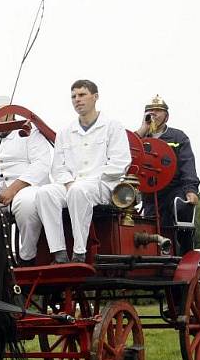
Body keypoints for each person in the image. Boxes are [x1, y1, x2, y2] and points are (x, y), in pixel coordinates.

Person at [36, 80, 131, 263]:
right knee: (44, 193)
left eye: (82, 95)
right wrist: (69, 182)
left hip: (102, 186)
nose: (77, 100)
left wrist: (88, 181)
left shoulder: (112, 126)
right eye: (73, 96)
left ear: (95, 97)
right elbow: (58, 167)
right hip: (71, 184)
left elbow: (121, 162)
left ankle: (79, 252)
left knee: (79, 191)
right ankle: (59, 252)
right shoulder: (65, 131)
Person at [0, 96, 52, 265]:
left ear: (11, 115)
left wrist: (14, 188)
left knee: (26, 204)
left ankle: (27, 256)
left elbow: (41, 165)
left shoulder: (30, 133)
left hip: (27, 188)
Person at [135, 95, 200, 251]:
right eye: (150, 111)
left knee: (182, 207)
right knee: (151, 223)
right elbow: (126, 151)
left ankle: (185, 251)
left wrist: (191, 190)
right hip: (150, 193)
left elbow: (187, 164)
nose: (154, 114)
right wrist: (143, 130)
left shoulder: (178, 137)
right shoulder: (140, 138)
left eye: (158, 110)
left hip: (173, 188)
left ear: (167, 116)